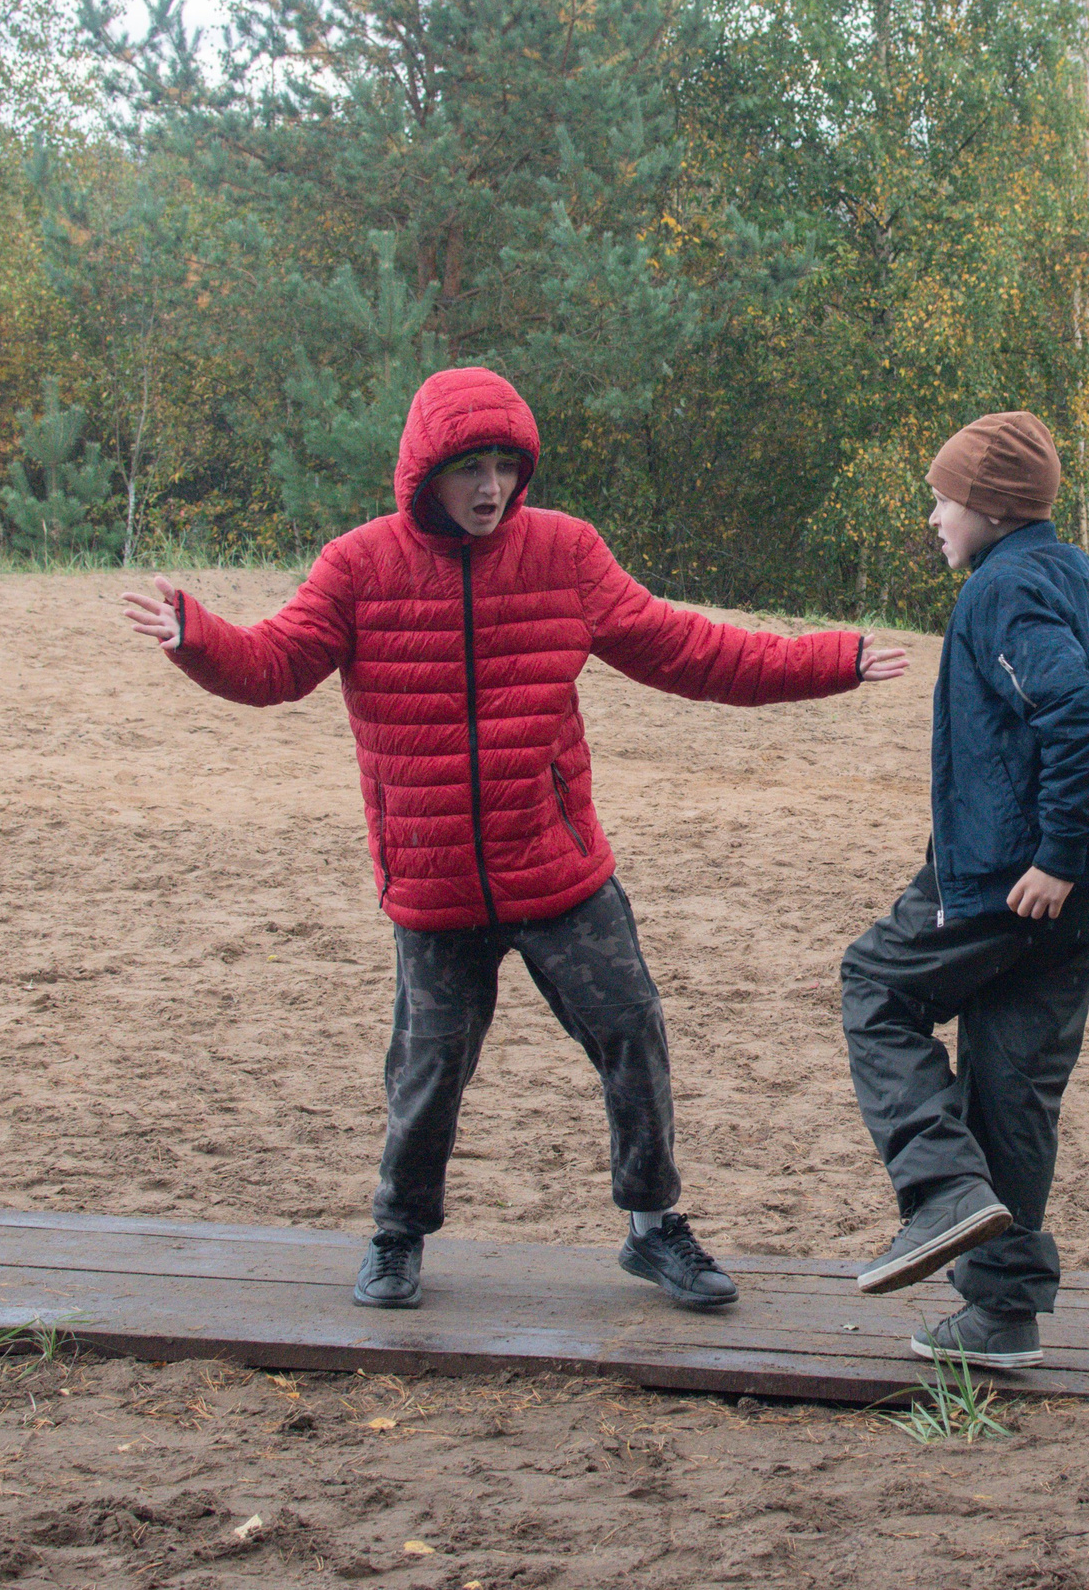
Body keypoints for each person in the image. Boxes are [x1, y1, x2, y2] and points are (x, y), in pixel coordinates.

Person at [120, 366, 909, 1313]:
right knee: (428, 1070)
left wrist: (830, 660)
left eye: (504, 465)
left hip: (559, 868)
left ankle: (653, 1228)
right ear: (424, 473)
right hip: (435, 883)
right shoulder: (358, 566)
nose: (489, 488)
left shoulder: (565, 554)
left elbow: (686, 648)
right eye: (468, 468)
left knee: (633, 1033)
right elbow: (274, 663)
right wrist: (192, 636)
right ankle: (398, 1233)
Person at [839, 410, 1089, 1370]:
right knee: (1011, 1084)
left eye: (944, 500)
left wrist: (1057, 850)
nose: (935, 517)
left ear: (986, 507)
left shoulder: (1003, 591)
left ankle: (942, 1191)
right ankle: (1001, 1314)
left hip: (1013, 879)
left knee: (875, 987)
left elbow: (1082, 714)